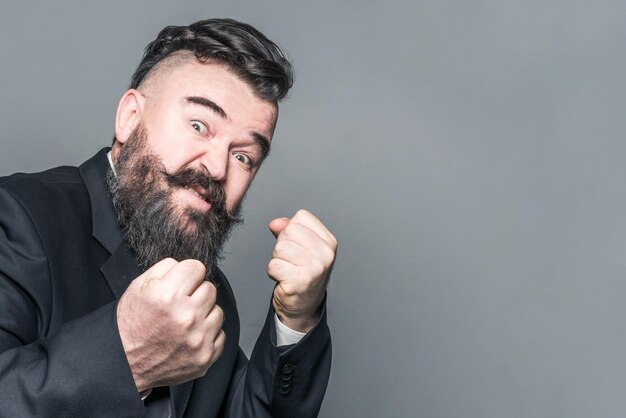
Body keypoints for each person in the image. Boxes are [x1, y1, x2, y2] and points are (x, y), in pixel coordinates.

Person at [0, 18, 335, 417]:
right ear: (129, 117)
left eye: (243, 156)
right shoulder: (16, 218)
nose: (216, 168)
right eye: (199, 125)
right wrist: (129, 359)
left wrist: (296, 319)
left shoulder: (211, 293)